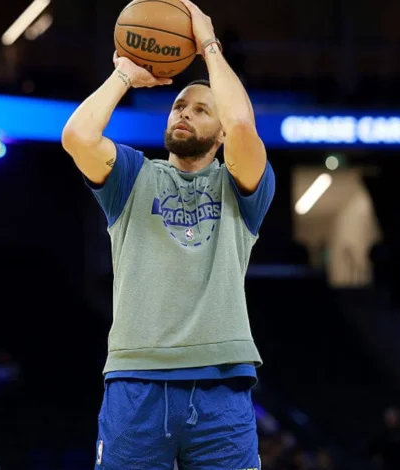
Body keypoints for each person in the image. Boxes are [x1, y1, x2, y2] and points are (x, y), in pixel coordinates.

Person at [61, 0, 275, 468]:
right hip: (135, 378)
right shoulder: (131, 176)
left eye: (201, 110)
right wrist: (123, 74)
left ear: (220, 133)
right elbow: (77, 137)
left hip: (222, 381)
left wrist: (208, 46)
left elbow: (242, 124)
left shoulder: (242, 186)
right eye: (179, 105)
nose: (184, 113)